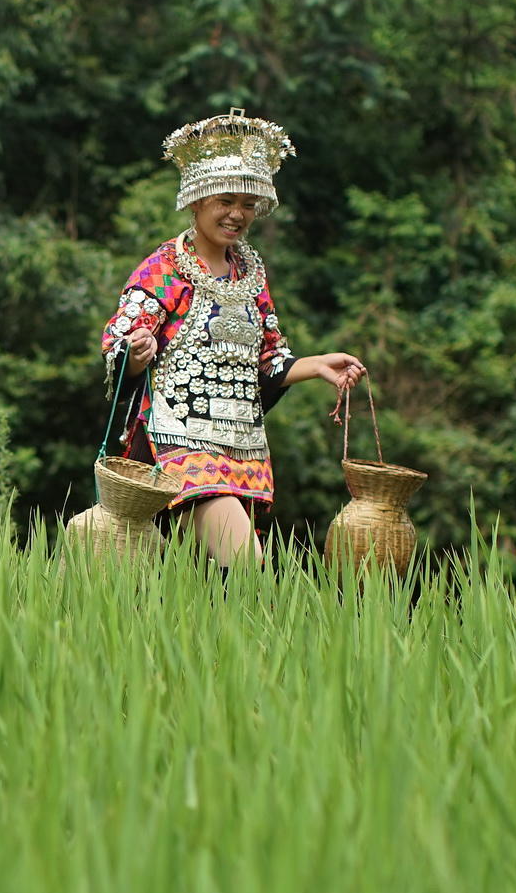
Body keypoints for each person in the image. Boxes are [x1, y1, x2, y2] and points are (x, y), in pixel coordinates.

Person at [100, 109, 366, 564]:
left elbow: (269, 361)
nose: (237, 214)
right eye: (225, 201)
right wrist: (139, 352)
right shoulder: (165, 268)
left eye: (247, 204)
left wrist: (317, 365)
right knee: (248, 565)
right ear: (197, 201)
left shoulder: (251, 273)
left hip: (240, 446)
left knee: (211, 576)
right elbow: (121, 343)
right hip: (177, 442)